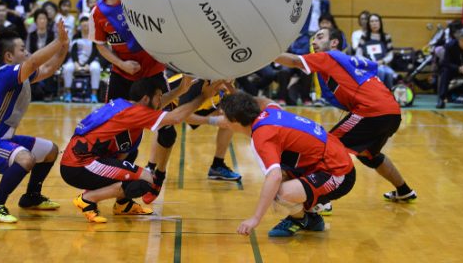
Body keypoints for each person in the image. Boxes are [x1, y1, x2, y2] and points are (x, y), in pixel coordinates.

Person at [275, 27, 416, 211]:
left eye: (319, 37)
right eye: (313, 39)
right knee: (370, 156)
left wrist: (265, 55)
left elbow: (294, 61)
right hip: (392, 112)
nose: (314, 42)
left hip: (371, 111)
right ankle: (404, 190)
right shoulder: (350, 61)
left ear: (333, 43)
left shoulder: (330, 56)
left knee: (325, 146)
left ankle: (322, 200)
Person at [61, 77, 223, 223]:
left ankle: (123, 204)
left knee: (131, 151)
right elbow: (176, 118)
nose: (161, 101)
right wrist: (204, 96)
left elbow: (158, 105)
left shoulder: (124, 104)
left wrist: (180, 90)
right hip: (80, 166)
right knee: (146, 181)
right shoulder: (135, 113)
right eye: (159, 96)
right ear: (146, 98)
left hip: (77, 161)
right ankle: (87, 199)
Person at [89, 0, 174, 205]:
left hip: (153, 74)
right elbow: (101, 46)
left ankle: (158, 174)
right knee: (120, 136)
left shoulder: (142, 1)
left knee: (167, 130)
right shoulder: (98, 13)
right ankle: (122, 189)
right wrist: (122, 64)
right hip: (122, 77)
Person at [219, 92, 355, 238]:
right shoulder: (270, 110)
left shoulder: (262, 137)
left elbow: (274, 177)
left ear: (234, 120)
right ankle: (313, 217)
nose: (222, 120)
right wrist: (237, 95)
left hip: (338, 172)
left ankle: (300, 219)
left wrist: (255, 218)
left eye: (224, 116)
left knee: (278, 192)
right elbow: (267, 100)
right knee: (280, 174)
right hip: (330, 159)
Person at [0, 22, 69, 223]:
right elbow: (34, 62)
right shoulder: (5, 73)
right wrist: (58, 41)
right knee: (25, 159)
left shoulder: (20, 76)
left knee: (50, 150)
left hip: (3, 138)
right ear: (9, 56)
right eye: (22, 49)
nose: (27, 52)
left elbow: (48, 68)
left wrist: (64, 46)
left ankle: (31, 197)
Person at [169, 75, 242, 181]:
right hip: (169, 102)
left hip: (201, 102)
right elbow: (182, 116)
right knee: (165, 136)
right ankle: (152, 167)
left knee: (231, 116)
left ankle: (218, 165)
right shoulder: (194, 84)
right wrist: (213, 121)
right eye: (225, 83)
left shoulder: (228, 83)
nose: (227, 86)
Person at [62, 16, 101, 103]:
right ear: (80, 26)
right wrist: (76, 63)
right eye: (83, 26)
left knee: (95, 68)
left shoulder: (94, 36)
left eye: (87, 25)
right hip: (76, 60)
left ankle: (94, 94)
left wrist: (88, 64)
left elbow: (94, 52)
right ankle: (68, 93)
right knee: (67, 68)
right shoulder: (76, 36)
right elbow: (73, 51)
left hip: (91, 60)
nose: (85, 28)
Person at [356, 13, 396, 90]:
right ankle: (377, 93)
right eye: (372, 21)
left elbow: (390, 54)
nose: (374, 23)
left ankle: (388, 95)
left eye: (376, 21)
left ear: (380, 23)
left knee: (390, 73)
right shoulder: (364, 37)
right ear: (369, 24)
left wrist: (382, 61)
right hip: (369, 65)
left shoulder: (386, 37)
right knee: (380, 71)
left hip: (383, 64)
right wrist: (369, 62)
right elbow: (358, 54)